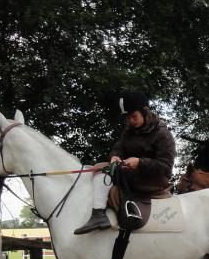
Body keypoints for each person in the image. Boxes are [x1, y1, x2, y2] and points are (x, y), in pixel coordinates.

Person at [73, 92, 176, 235]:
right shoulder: (129, 131)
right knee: (96, 168)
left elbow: (165, 167)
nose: (130, 121)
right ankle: (98, 215)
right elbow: (118, 148)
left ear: (145, 113)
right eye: (127, 118)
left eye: (134, 116)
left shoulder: (163, 134)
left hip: (153, 180)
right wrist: (115, 157)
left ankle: (99, 214)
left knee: (102, 170)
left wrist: (139, 163)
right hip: (130, 173)